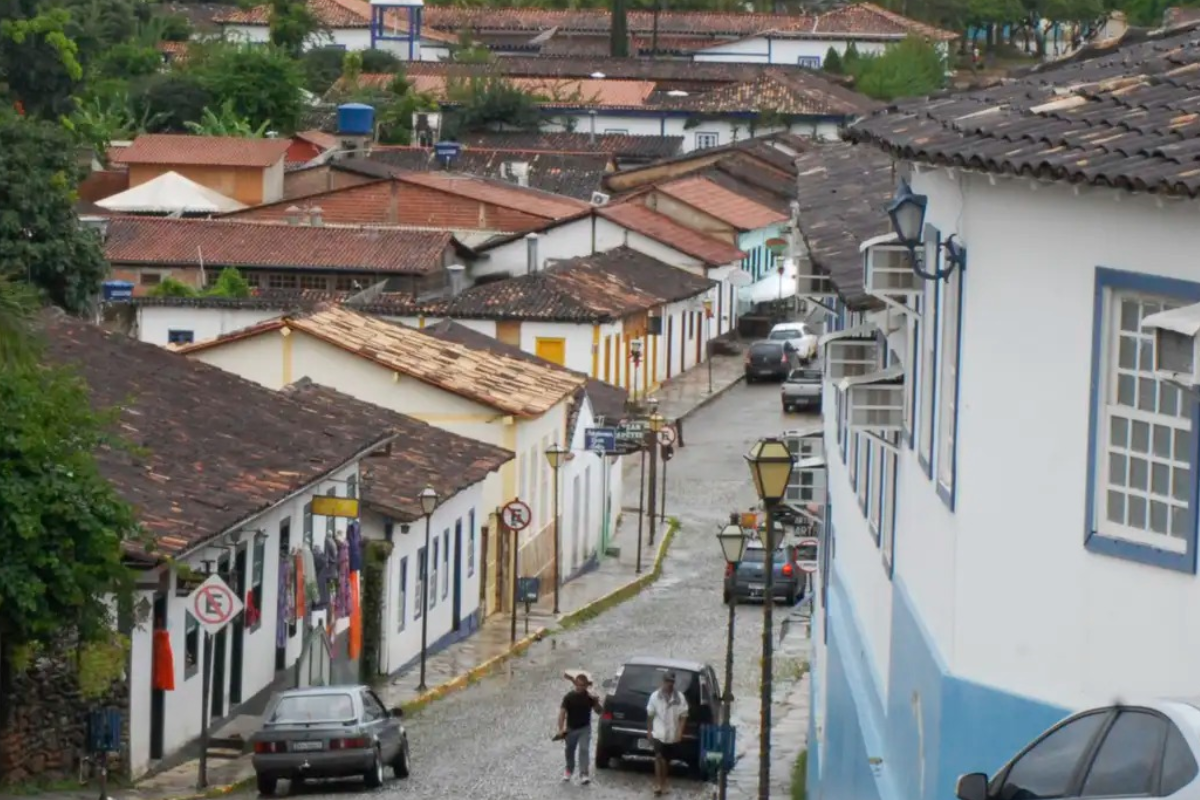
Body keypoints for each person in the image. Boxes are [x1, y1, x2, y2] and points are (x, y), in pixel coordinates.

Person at [646, 671, 689, 796]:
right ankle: (658, 783)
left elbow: (684, 716)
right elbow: (650, 715)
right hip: (658, 733)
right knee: (659, 757)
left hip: (672, 735)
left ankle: (664, 782)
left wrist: (680, 732)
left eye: (671, 682)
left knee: (666, 761)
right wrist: (649, 731)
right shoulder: (655, 696)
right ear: (663, 682)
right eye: (667, 681)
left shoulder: (679, 698)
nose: (669, 684)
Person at [558, 672, 602, 784]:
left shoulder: (590, 697)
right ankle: (569, 770)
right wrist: (561, 729)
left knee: (584, 749)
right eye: (578, 685)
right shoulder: (569, 697)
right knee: (569, 750)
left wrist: (596, 701)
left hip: (584, 728)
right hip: (571, 728)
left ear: (587, 685)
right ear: (575, 684)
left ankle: (584, 774)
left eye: (583, 685)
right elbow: (562, 713)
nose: (580, 687)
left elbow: (599, 711)